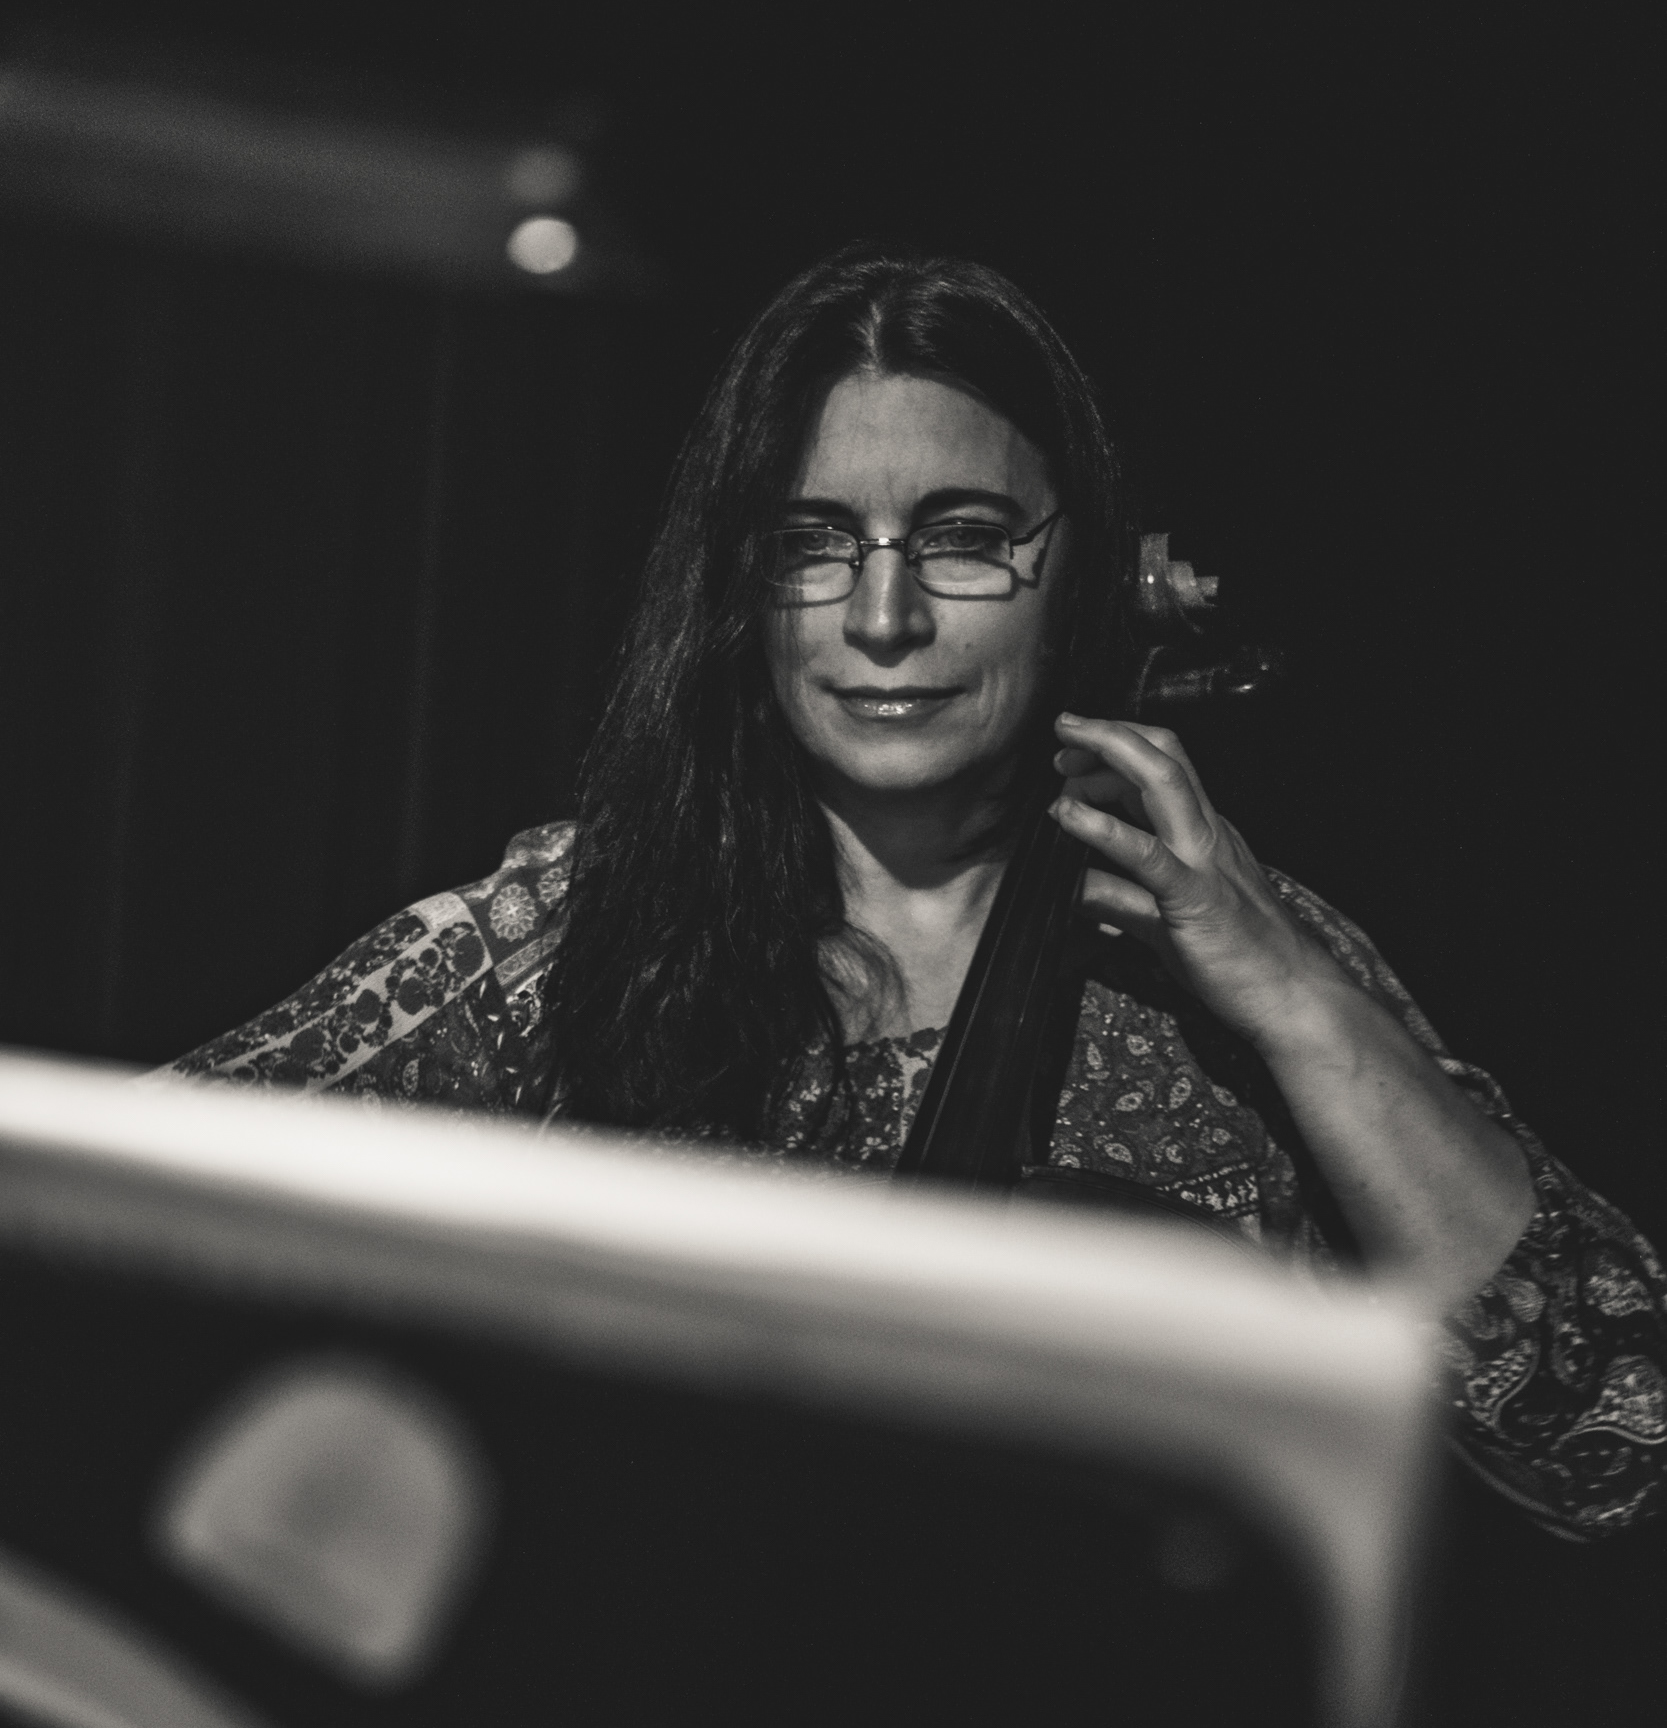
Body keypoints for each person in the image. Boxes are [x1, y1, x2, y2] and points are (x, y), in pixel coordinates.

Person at [160, 244, 1667, 1542]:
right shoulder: (563, 937)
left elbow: (1616, 1429)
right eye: (814, 544)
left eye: (963, 539)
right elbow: (111, 1242)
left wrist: (1298, 1006)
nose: (885, 617)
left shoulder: (1231, 968)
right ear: (742, 587)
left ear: (1081, 573)